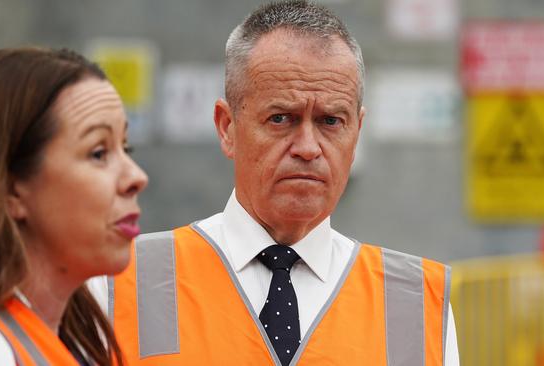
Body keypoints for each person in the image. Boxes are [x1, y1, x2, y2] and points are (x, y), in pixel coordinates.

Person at [104, 1, 458, 365]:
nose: (307, 148)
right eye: (281, 118)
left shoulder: (415, 305)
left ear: (357, 133)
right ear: (227, 127)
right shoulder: (123, 282)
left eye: (330, 121)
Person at [0, 47, 148, 365]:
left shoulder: (77, 339)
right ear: (12, 188)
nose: (136, 177)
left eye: (126, 148)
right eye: (98, 153)